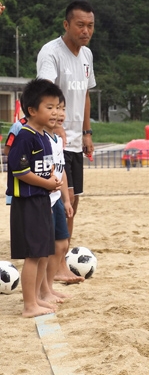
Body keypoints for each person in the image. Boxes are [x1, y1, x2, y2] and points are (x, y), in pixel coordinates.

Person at [37, 0, 97, 240]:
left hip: (75, 141)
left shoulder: (87, 55)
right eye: (80, 25)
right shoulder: (51, 52)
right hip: (55, 140)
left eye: (90, 26)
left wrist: (87, 133)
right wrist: (57, 127)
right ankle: (57, 258)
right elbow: (45, 92)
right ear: (66, 24)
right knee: (62, 199)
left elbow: (85, 95)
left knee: (75, 198)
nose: (86, 31)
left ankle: (63, 250)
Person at [7, 78, 64, 317]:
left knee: (42, 252)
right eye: (49, 107)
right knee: (33, 255)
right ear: (32, 110)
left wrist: (52, 183)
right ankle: (29, 305)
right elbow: (19, 170)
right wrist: (47, 183)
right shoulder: (26, 135)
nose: (55, 112)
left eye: (58, 107)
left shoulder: (44, 136)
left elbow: (44, 167)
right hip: (28, 201)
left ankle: (38, 298)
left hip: (42, 200)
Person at [45, 96, 84, 286]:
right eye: (52, 108)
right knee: (42, 250)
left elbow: (61, 171)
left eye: (61, 108)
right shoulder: (39, 139)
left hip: (57, 199)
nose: (59, 113)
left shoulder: (58, 140)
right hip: (44, 201)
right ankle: (42, 289)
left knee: (62, 244)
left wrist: (67, 200)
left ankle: (51, 284)